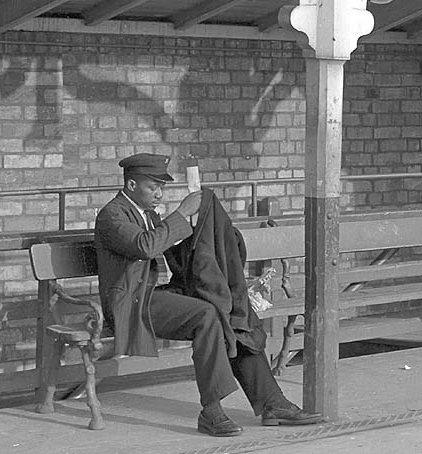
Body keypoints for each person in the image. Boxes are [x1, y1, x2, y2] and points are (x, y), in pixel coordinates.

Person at [94, 152, 322, 436]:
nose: (159, 193)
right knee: (206, 314)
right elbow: (146, 246)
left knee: (227, 309)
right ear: (131, 186)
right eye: (153, 187)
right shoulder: (111, 215)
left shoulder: (148, 215)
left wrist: (202, 231)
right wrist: (180, 214)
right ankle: (211, 411)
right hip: (130, 303)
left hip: (150, 295)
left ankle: (271, 402)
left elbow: (172, 254)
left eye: (161, 187)